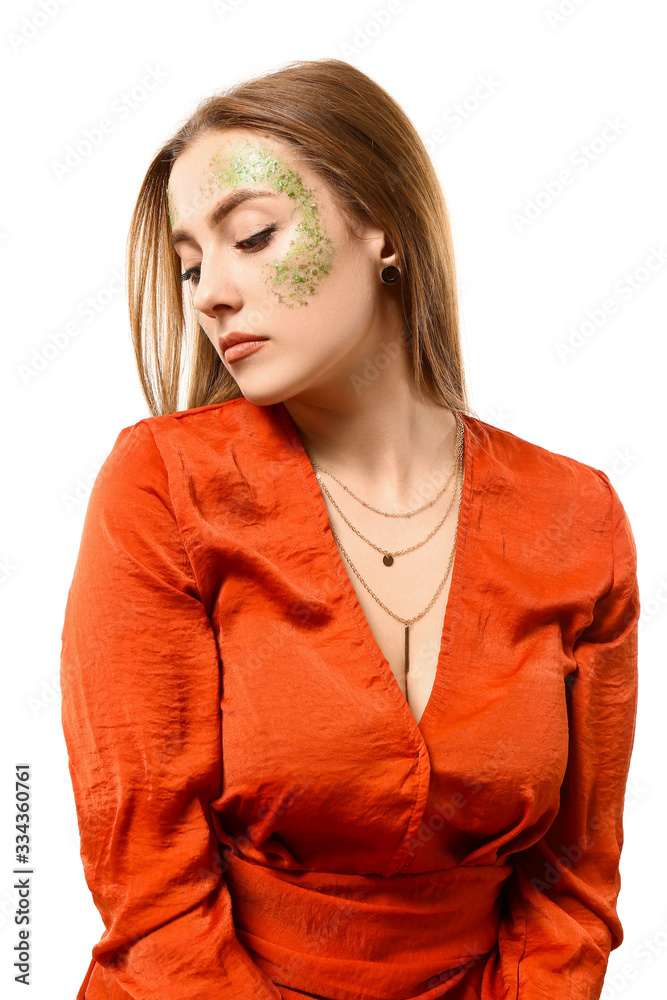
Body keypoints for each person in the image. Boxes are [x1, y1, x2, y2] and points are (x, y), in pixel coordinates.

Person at [59, 58, 640, 1000]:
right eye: (190, 264)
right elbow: (148, 889)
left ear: (381, 228)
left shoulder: (578, 519)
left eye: (252, 234)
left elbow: (572, 886)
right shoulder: (160, 486)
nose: (208, 292)